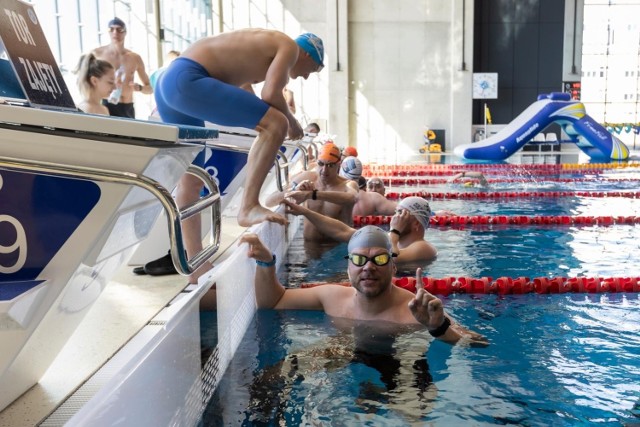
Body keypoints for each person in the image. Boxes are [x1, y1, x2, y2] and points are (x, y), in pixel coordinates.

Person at [154, 29, 324, 283]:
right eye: (314, 69)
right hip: (187, 79)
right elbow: (270, 95)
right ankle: (249, 206)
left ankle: (195, 263)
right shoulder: (288, 46)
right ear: (307, 54)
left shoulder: (257, 48)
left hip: (170, 83)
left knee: (192, 181)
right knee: (275, 124)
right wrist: (291, 121)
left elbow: (247, 92)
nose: (307, 77)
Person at [238, 226, 486, 346]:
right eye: (359, 259)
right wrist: (265, 262)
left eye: (379, 258)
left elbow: (477, 342)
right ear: (348, 269)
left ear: (393, 268)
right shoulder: (331, 297)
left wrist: (438, 328)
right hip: (344, 353)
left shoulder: (416, 311)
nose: (368, 267)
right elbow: (273, 302)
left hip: (399, 363)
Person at [283, 195, 437, 264]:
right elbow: (343, 231)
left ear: (416, 224)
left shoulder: (423, 247)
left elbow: (392, 259)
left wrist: (395, 231)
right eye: (396, 212)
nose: (395, 218)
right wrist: (305, 212)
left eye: (402, 214)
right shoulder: (393, 239)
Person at [266, 143, 358, 241]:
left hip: (336, 249)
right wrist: (294, 189)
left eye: (330, 165)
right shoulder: (306, 177)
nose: (324, 170)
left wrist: (311, 194)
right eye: (321, 164)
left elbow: (351, 198)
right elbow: (269, 202)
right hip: (310, 248)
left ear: (338, 165)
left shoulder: (348, 184)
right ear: (316, 162)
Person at [93, 17, 153, 118]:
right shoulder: (98, 54)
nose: (115, 33)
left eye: (119, 30)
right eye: (111, 29)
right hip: (106, 106)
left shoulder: (135, 58)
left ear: (125, 32)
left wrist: (139, 88)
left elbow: (150, 88)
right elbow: (86, 83)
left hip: (127, 108)